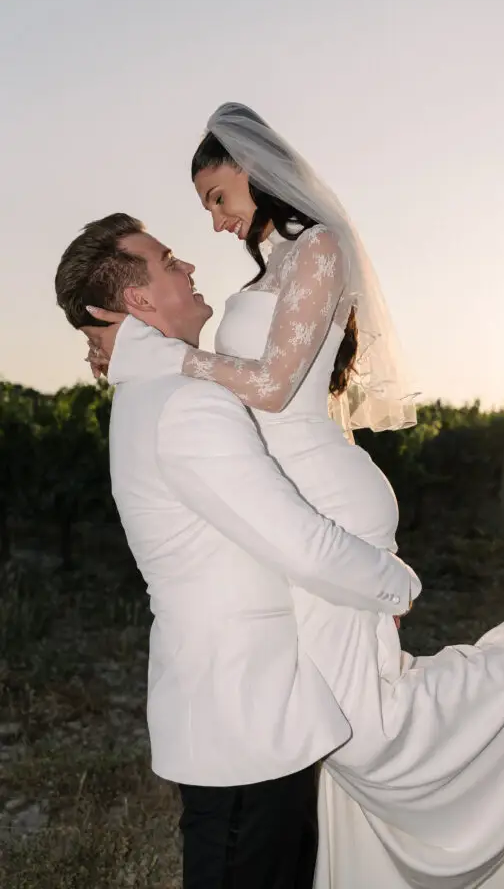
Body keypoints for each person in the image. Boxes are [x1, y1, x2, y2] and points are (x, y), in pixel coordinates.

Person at [84, 104, 504, 889]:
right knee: (339, 721)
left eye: (216, 196)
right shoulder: (265, 272)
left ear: (254, 169)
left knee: (365, 729)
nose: (213, 220)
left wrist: (168, 358)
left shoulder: (321, 248)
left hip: (327, 501)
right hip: (294, 497)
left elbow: (273, 387)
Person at [54, 213, 420, 889]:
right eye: (167, 260)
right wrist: (395, 586)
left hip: (249, 721)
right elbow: (298, 542)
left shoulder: (157, 394)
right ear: (137, 300)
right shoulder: (185, 404)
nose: (188, 267)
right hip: (243, 727)